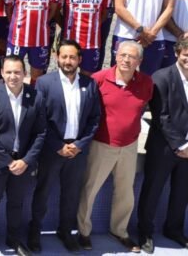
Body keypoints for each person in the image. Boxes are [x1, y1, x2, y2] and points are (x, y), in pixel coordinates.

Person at [76, 40, 152, 253]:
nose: (127, 60)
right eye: (123, 55)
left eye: (132, 57)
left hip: (130, 146)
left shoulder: (146, 83)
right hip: (102, 145)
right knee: (90, 190)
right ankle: (83, 231)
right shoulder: (99, 79)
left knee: (126, 192)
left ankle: (119, 230)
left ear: (140, 61)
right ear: (116, 56)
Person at [28, 40, 101, 253]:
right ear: (56, 57)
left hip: (77, 151)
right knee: (43, 193)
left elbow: (95, 119)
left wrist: (79, 145)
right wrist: (58, 145)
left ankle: (65, 231)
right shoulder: (43, 83)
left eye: (72, 57)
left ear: (79, 59)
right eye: (64, 56)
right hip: (52, 150)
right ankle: (35, 232)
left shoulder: (90, 84)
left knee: (71, 195)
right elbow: (40, 120)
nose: (67, 61)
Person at [0, 56, 45, 256]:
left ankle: (13, 239)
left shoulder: (36, 97)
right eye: (8, 72)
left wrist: (25, 161)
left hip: (23, 163)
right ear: (1, 73)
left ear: (24, 73)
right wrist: (8, 161)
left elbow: (41, 132)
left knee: (16, 203)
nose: (13, 76)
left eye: (17, 72)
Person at [137, 38, 188, 253]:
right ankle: (144, 232)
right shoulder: (161, 77)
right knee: (152, 190)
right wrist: (181, 145)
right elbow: (161, 116)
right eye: (186, 54)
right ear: (178, 53)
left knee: (181, 192)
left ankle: (173, 229)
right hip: (164, 147)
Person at [5, 0, 59, 84]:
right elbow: (9, 7)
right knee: (13, 71)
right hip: (18, 38)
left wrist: (42, 21)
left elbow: (53, 8)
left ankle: (33, 100)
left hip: (40, 38)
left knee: (37, 73)